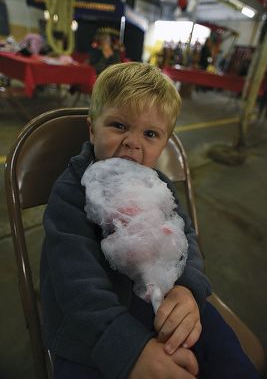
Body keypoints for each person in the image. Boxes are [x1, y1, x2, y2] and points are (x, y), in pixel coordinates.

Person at [41, 62, 261, 379]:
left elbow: (185, 238)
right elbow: (73, 280)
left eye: (150, 133)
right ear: (92, 129)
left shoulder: (157, 185)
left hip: (163, 302)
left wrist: (187, 289)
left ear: (164, 142)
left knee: (224, 349)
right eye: (118, 125)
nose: (133, 141)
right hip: (92, 327)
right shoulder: (71, 191)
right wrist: (129, 349)